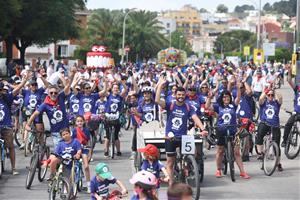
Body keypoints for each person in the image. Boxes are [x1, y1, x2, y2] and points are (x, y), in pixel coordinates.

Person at [155, 76, 207, 185]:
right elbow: (157, 100)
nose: (181, 97)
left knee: (190, 156)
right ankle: (171, 186)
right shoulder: (170, 105)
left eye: (183, 95)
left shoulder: (188, 107)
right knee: (170, 162)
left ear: (185, 96)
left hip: (184, 137)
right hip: (170, 137)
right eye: (179, 95)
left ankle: (187, 168)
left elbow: (195, 118)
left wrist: (203, 129)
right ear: (176, 95)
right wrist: (160, 85)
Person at [205, 86, 250, 179]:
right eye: (224, 97)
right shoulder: (218, 106)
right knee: (220, 151)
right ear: (222, 98)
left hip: (233, 130)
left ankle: (242, 172)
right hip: (221, 130)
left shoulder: (233, 105)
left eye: (228, 97)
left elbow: (238, 97)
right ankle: (218, 170)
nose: (226, 98)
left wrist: (238, 87)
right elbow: (207, 107)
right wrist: (209, 97)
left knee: (237, 152)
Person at [26, 67, 76, 148]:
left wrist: (72, 75)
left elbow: (67, 86)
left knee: (69, 152)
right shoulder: (45, 104)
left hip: (66, 131)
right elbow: (35, 114)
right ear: (48, 94)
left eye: (55, 93)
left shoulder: (61, 97)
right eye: (51, 93)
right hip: (56, 132)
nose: (53, 94)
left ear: (58, 93)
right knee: (59, 153)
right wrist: (27, 125)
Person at [0, 73, 31, 175]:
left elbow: (16, 90)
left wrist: (24, 81)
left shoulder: (6, 98)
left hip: (6, 125)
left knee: (11, 147)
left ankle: (13, 168)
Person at [256, 87, 283, 171]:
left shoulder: (276, 103)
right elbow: (260, 98)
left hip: (275, 125)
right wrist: (266, 90)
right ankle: (260, 153)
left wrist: (274, 91)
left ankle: (278, 163)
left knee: (277, 146)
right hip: (265, 123)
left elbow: (280, 98)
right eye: (269, 95)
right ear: (267, 96)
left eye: (272, 95)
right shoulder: (264, 103)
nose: (270, 96)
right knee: (259, 135)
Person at [71, 115, 92, 193]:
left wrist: (90, 153)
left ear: (84, 122)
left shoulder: (86, 130)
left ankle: (89, 185)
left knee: (86, 166)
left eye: (81, 121)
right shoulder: (74, 131)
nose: (79, 122)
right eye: (78, 121)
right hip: (76, 149)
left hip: (84, 149)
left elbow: (89, 142)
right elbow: (71, 141)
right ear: (75, 123)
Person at [281, 66, 300, 147]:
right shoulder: (297, 89)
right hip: (296, 113)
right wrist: (289, 71)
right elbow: (289, 80)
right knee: (288, 124)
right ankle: (285, 141)